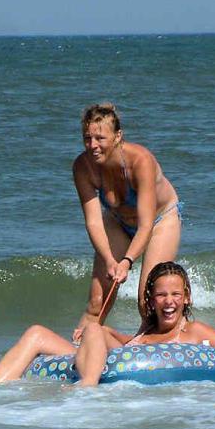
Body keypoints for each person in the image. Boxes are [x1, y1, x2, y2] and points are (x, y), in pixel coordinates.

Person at [0, 261, 215, 385]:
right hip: (101, 357)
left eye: (176, 295)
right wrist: (98, 332)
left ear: (186, 298)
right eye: (161, 295)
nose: (169, 302)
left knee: (95, 329)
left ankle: (86, 388)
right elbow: (129, 346)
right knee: (36, 332)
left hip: (99, 365)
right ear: (151, 300)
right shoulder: (148, 329)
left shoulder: (195, 330)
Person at [71, 103, 182, 338]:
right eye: (87, 138)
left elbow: (146, 224)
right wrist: (111, 260)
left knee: (147, 302)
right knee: (97, 301)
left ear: (118, 136)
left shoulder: (140, 161)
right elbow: (93, 222)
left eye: (100, 138)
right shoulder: (83, 167)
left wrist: (127, 262)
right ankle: (76, 355)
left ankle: (158, 349)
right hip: (117, 221)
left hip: (160, 221)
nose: (92, 145)